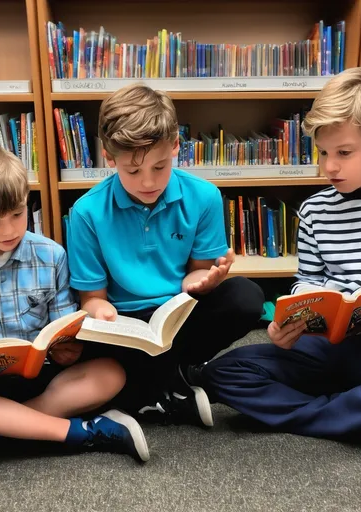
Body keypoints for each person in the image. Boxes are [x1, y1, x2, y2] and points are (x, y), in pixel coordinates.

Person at [198, 67, 361, 456]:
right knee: (221, 373)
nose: (329, 167)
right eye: (323, 152)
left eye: (344, 153)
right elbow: (307, 280)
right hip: (321, 343)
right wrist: (289, 320)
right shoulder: (314, 210)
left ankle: (335, 411)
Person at [0, 144, 149, 486]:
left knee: (110, 373)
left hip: (40, 379)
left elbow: (63, 328)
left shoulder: (51, 255)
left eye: (17, 214)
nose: (9, 231)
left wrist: (68, 349)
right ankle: (80, 432)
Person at [67, 83, 264, 427]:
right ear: (109, 157)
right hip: (121, 325)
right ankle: (168, 384)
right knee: (80, 342)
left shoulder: (204, 197)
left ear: (175, 146)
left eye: (160, 167)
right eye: (132, 171)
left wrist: (204, 282)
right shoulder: (87, 212)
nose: (147, 182)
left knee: (246, 297)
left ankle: (146, 388)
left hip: (176, 317)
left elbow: (194, 273)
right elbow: (91, 298)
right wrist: (102, 312)